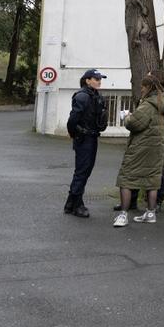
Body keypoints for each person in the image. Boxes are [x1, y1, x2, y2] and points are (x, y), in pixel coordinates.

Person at [112, 74, 164, 227]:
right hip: (157, 147)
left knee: (126, 178)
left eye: (143, 87)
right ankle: (150, 213)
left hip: (141, 147)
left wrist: (127, 117)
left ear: (149, 87)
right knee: (152, 180)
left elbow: (135, 124)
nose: (141, 89)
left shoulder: (147, 104)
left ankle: (123, 215)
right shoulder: (163, 102)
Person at [64, 69, 108, 218]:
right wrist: (74, 134)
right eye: (96, 79)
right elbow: (72, 120)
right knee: (82, 172)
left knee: (85, 171)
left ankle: (70, 204)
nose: (99, 81)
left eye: (100, 79)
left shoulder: (96, 96)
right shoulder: (82, 96)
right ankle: (77, 205)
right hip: (84, 138)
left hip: (92, 137)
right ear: (87, 80)